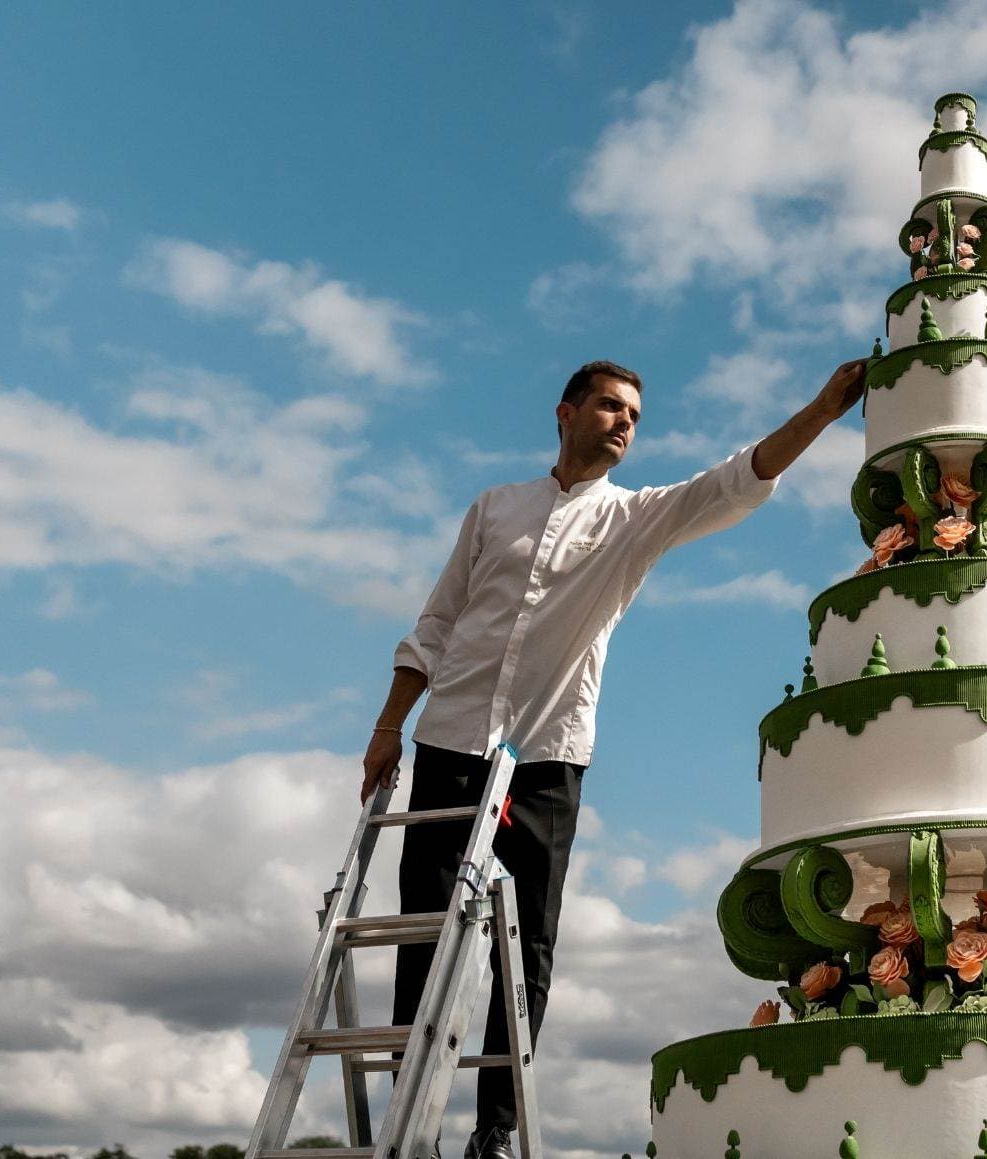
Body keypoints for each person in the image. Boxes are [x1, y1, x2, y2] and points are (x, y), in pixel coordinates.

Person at [361, 356, 867, 1159]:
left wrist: (822, 409)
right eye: (608, 405)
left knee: (526, 942)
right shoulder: (494, 507)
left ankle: (494, 1131)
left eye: (633, 413)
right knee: (422, 930)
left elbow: (735, 480)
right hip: (448, 738)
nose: (624, 421)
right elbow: (435, 624)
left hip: (546, 754)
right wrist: (389, 724)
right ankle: (405, 1118)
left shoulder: (634, 517)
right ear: (565, 413)